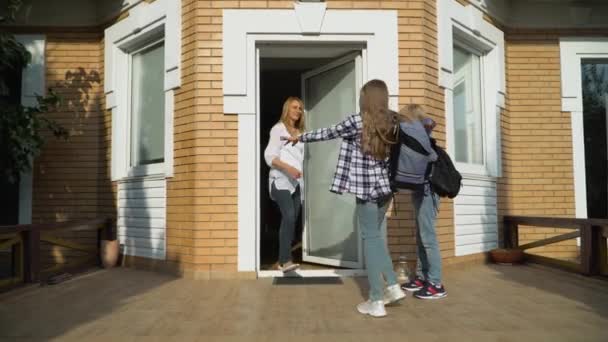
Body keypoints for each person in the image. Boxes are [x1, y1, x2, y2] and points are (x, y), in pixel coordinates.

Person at [283, 80, 406, 317]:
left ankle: (376, 300)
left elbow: (329, 132)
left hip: (367, 191)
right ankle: (392, 285)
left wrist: (300, 138)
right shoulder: (393, 121)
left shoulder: (358, 121)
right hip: (386, 190)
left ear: (366, 98)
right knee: (377, 238)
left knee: (370, 241)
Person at [398, 104, 447, 299]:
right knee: (421, 236)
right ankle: (422, 277)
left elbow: (432, 156)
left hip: (429, 190)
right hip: (420, 188)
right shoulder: (418, 133)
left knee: (428, 237)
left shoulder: (419, 131)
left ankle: (436, 283)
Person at [264, 97, 305, 273]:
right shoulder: (278, 129)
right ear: (287, 109)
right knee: (288, 216)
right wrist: (289, 169)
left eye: (301, 108)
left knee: (292, 219)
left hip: (296, 183)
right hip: (280, 181)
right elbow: (270, 157)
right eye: (294, 107)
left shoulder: (300, 133)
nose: (298, 111)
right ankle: (284, 260)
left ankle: (284, 258)